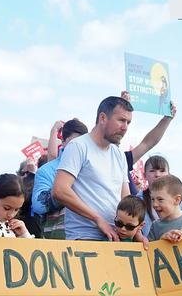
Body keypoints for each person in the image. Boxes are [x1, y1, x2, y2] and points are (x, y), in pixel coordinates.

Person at [52, 96, 139, 243]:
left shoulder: (118, 154)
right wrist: (98, 219)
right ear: (103, 118)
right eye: (121, 120)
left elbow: (126, 199)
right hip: (85, 237)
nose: (125, 127)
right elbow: (59, 190)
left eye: (128, 122)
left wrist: (136, 233)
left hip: (115, 237)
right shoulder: (78, 146)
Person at [31, 119, 88, 240]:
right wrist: (64, 189)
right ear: (63, 141)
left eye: (84, 143)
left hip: (90, 237)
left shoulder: (92, 168)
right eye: (74, 142)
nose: (79, 147)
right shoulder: (46, 170)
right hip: (59, 243)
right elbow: (38, 205)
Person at [147, 175, 182, 243]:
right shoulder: (155, 227)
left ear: (177, 200)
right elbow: (149, 251)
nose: (154, 204)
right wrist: (162, 241)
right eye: (153, 199)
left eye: (160, 199)